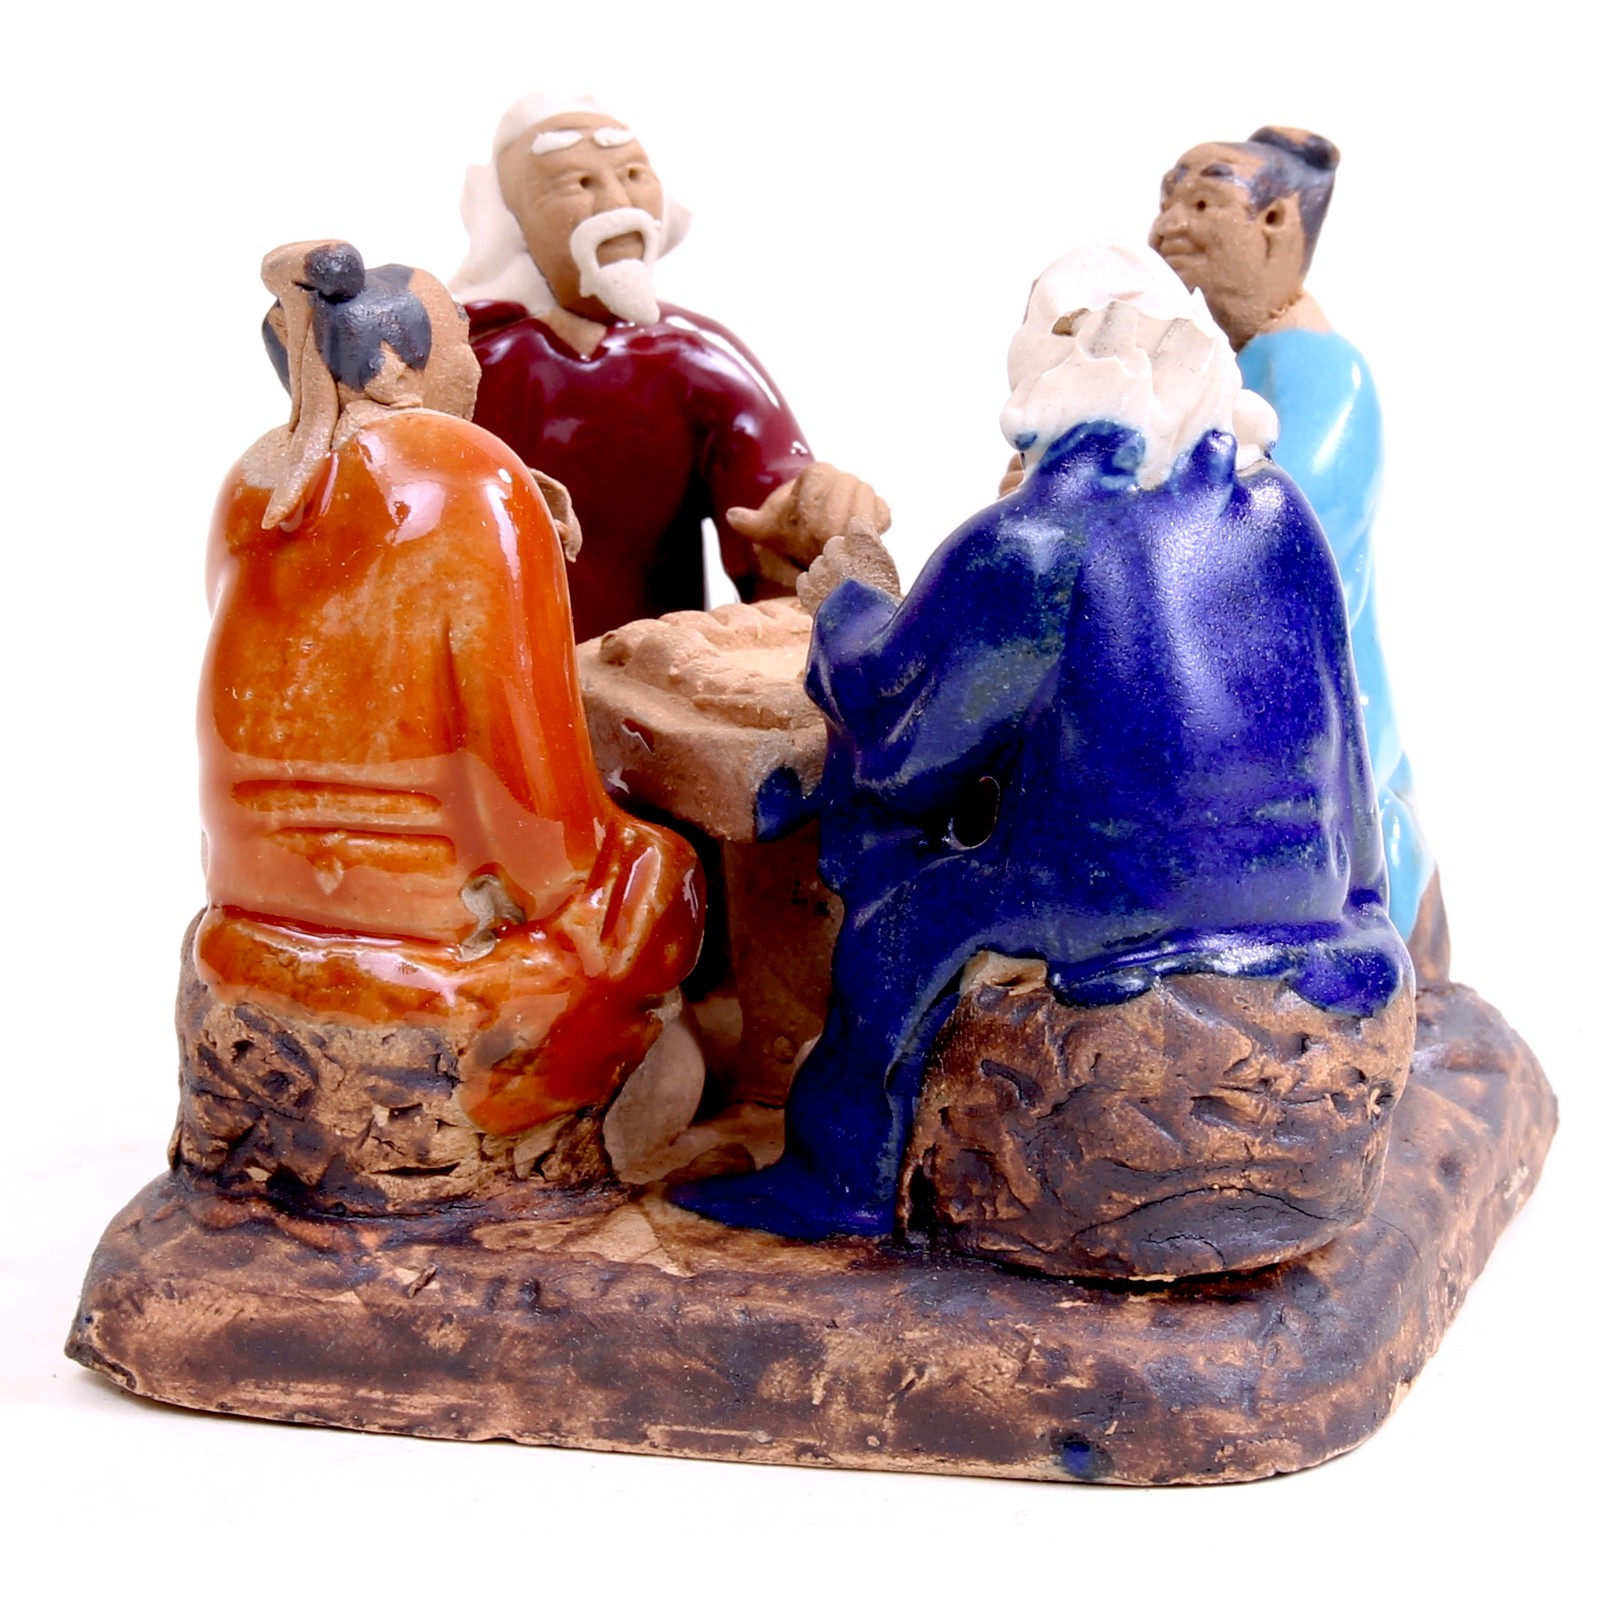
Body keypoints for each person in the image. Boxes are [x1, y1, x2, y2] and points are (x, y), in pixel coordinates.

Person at [675, 245, 1411, 1241]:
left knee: (898, 909)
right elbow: (1344, 740)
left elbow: (907, 750)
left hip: (1109, 901)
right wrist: (1361, 896)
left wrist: (845, 607)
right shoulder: (1280, 509)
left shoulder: (1031, 542)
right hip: (1306, 890)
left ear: (1045, 376)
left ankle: (840, 1176)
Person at [198, 240, 703, 1138]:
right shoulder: (463, 471)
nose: (473, 363)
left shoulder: (253, 478)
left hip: (249, 895)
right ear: (396, 363)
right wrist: (580, 886)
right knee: (662, 872)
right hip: (436, 912)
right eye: (461, 339)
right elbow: (518, 756)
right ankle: (587, 1124)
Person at [1149, 127, 1440, 956]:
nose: (1169, 223)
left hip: (1315, 721)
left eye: (1202, 202)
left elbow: (1280, 528)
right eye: (1166, 200)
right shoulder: (1218, 368)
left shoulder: (1322, 373)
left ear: (1275, 222)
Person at [452, 93, 888, 639]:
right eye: (576, 184)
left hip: (651, 664)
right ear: (510, 222)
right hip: (496, 664)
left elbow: (766, 485)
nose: (616, 201)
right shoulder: (464, 360)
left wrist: (809, 507)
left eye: (633, 175)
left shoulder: (696, 357)